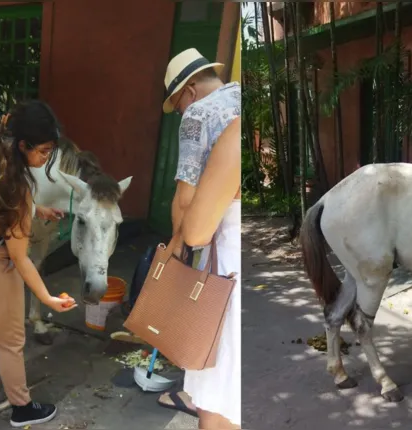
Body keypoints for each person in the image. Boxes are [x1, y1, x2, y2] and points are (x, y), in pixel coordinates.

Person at [0, 100, 78, 428]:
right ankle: (22, 408)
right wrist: (48, 298)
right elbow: (21, 258)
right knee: (11, 341)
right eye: (44, 151)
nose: (47, 158)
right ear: (23, 146)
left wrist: (37, 209)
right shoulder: (18, 186)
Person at [155, 48, 241, 429]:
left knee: (215, 371)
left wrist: (176, 255)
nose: (179, 112)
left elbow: (187, 197)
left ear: (188, 91)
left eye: (176, 105)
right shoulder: (240, 95)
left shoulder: (198, 114)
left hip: (222, 246)